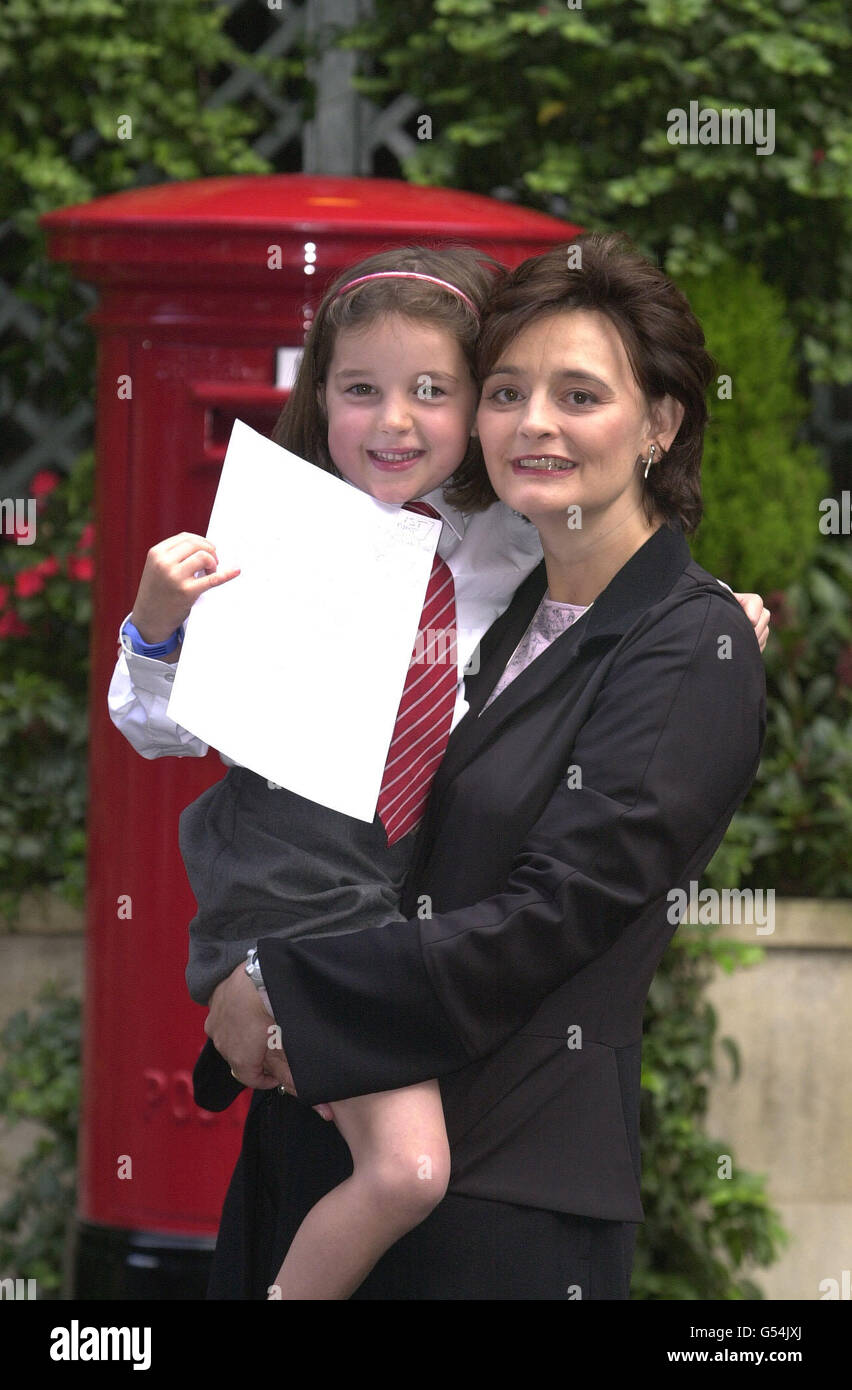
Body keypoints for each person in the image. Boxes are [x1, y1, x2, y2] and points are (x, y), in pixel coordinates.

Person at [201, 231, 768, 1301]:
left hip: (496, 1210)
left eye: (579, 393)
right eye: (506, 391)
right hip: (320, 1148)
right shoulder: (496, 611)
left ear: (659, 423)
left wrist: (280, 988)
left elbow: (550, 916)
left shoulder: (692, 641)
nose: (534, 422)